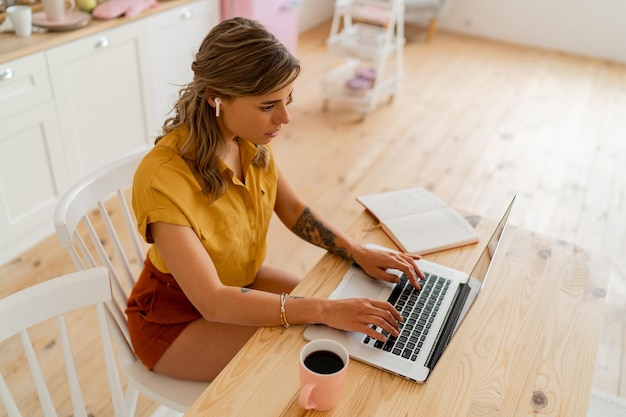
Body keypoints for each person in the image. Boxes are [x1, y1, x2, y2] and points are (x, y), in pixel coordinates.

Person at [126, 17, 424, 382]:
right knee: (305, 352)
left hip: (241, 283)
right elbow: (213, 300)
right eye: (268, 106)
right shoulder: (162, 178)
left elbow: (294, 211)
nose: (284, 118)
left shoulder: (248, 140)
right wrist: (325, 310)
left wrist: (356, 250)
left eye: (288, 100)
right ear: (216, 99)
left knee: (334, 326)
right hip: (175, 320)